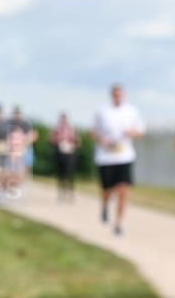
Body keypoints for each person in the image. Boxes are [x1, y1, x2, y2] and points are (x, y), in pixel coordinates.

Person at [91, 84, 145, 236]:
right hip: (106, 157)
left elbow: (141, 131)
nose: (118, 96)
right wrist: (102, 140)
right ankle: (105, 204)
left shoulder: (132, 111)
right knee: (107, 190)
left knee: (124, 189)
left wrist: (132, 132)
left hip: (124, 156)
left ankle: (118, 223)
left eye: (120, 93)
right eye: (115, 93)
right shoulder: (102, 111)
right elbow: (92, 131)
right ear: (111, 94)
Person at [50, 112, 80, 202]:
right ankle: (61, 192)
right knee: (60, 174)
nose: (64, 120)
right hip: (60, 153)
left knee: (70, 174)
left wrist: (73, 142)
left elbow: (78, 141)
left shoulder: (72, 129)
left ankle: (70, 193)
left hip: (70, 154)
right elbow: (51, 140)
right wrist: (57, 140)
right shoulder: (56, 129)